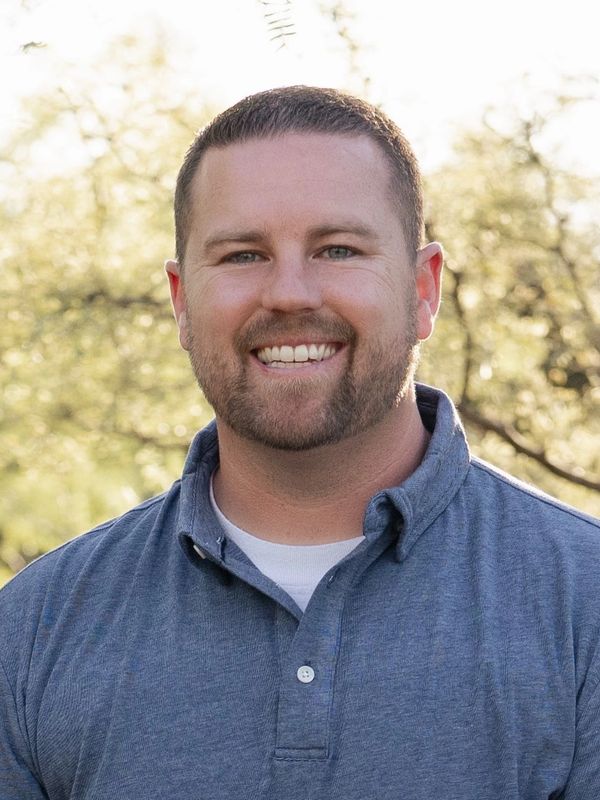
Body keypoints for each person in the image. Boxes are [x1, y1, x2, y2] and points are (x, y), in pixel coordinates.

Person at [1, 86, 599, 800]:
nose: (288, 293)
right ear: (181, 301)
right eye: (242, 254)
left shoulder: (584, 606)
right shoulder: (32, 628)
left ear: (423, 289)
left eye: (338, 248)